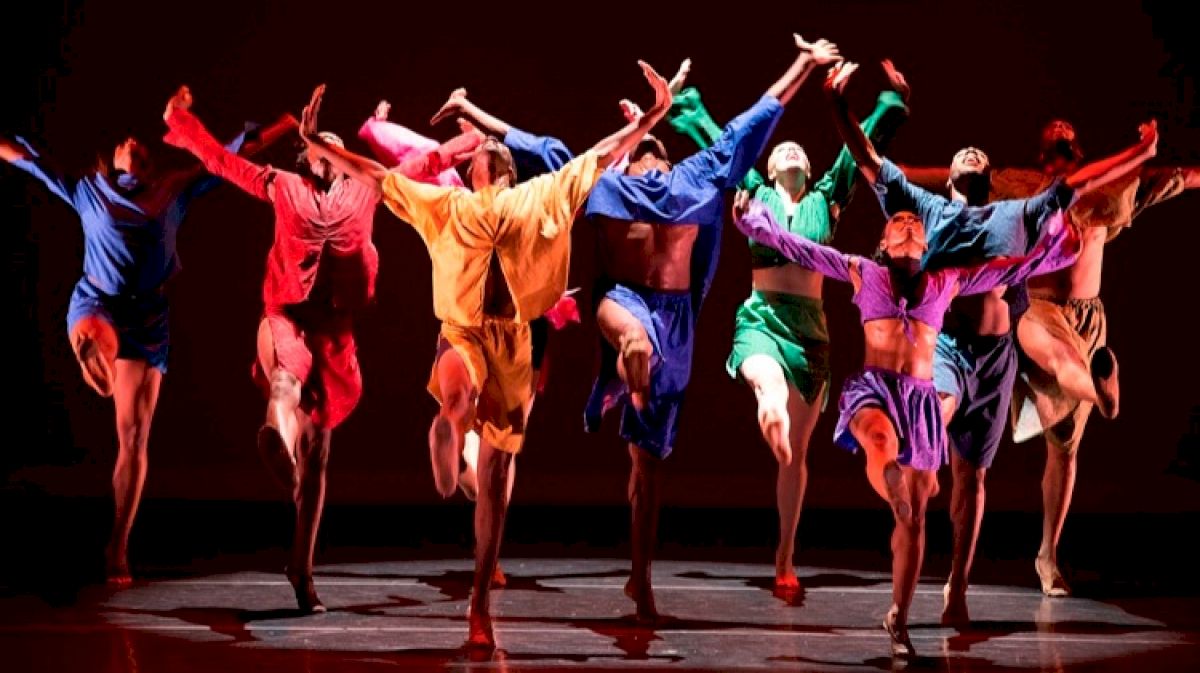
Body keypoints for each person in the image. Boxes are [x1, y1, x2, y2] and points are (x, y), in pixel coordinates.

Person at [436, 36, 842, 621]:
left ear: (669, 159)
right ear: (627, 153)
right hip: (622, 303)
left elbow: (757, 118)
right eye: (640, 144)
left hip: (674, 321)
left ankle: (640, 580)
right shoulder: (605, 180)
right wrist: (473, 113)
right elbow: (534, 145)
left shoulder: (696, 177)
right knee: (630, 334)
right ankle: (632, 357)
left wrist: (803, 63)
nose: (650, 148)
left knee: (647, 470)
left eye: (657, 144)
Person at [297, 64, 671, 646]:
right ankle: (449, 425)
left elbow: (600, 155)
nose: (489, 149)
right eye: (482, 149)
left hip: (514, 345)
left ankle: (479, 604)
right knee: (457, 390)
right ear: (471, 169)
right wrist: (318, 144)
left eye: (495, 148)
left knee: (495, 480)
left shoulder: (538, 195)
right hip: (464, 331)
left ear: (503, 168)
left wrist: (652, 118)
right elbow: (377, 176)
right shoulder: (448, 204)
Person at [825, 62, 1161, 619]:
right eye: (963, 163)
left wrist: (1139, 154)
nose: (970, 163)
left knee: (974, 476)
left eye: (977, 164)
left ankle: (956, 588)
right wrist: (838, 103)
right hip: (948, 349)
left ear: (985, 181)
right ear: (952, 181)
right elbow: (868, 161)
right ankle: (906, 486)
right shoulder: (930, 210)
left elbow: (1079, 184)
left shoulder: (1013, 214)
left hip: (997, 359)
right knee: (938, 413)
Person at [161, 85, 481, 612]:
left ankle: (301, 567)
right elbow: (221, 162)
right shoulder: (282, 184)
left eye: (337, 145)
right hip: (285, 317)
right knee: (285, 379)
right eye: (320, 146)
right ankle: (276, 438)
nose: (330, 150)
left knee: (320, 459)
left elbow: (426, 163)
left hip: (334, 334)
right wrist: (180, 121)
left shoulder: (367, 188)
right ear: (306, 158)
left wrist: (470, 140)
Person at [731, 182, 1078, 657]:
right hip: (875, 390)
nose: (909, 222)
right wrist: (759, 227)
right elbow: (806, 251)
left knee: (913, 521)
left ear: (927, 243)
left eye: (915, 221)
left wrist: (1056, 248)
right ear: (884, 240)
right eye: (898, 220)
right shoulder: (865, 272)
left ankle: (898, 613)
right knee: (880, 440)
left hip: (919, 402)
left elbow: (1012, 269)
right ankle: (890, 478)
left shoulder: (946, 280)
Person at [0, 99, 292, 586]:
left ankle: (117, 546)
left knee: (134, 438)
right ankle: (96, 354)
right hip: (98, 302)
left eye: (139, 144)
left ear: (150, 163)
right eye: (123, 142)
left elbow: (228, 156)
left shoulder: (173, 188)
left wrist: (286, 124)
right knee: (96, 334)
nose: (132, 142)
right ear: (111, 158)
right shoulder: (87, 190)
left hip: (148, 320)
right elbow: (26, 159)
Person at [664, 57, 909, 593]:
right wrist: (683, 102)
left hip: (810, 332)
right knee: (767, 383)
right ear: (770, 169)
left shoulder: (827, 197)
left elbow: (860, 148)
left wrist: (890, 103)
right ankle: (769, 408)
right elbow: (724, 143)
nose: (792, 150)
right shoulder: (756, 191)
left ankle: (784, 555)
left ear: (809, 168)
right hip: (762, 316)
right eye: (781, 150)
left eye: (799, 150)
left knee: (796, 458)